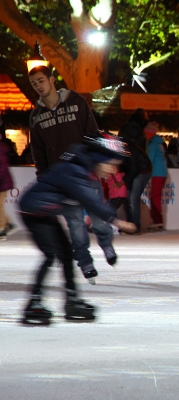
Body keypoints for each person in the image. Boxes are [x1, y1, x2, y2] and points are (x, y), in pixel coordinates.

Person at [18, 134, 136, 325]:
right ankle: (33, 304)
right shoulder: (75, 171)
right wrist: (116, 221)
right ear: (99, 159)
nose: (113, 170)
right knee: (50, 255)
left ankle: (72, 300)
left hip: (44, 213)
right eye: (111, 164)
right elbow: (90, 200)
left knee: (66, 254)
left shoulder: (83, 169)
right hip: (34, 212)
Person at [28, 65, 113, 282]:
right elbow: (38, 151)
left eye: (41, 80)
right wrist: (44, 178)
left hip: (85, 173)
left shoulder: (76, 103)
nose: (38, 86)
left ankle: (106, 245)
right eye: (34, 83)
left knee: (99, 220)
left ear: (52, 79)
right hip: (61, 181)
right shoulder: (36, 116)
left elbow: (92, 134)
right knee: (75, 224)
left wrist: (98, 162)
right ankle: (85, 263)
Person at [118, 109, 152, 233]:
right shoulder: (137, 137)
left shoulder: (128, 150)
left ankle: (135, 225)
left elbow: (134, 167)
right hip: (136, 167)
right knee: (127, 196)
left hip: (143, 169)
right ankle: (131, 223)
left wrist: (125, 180)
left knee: (133, 197)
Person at [144, 122, 168, 231]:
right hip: (161, 172)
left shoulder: (152, 144)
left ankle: (157, 220)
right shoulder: (158, 143)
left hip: (157, 173)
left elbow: (150, 160)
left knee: (154, 197)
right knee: (155, 196)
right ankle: (157, 220)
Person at [0, 130, 12, 240]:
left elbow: (2, 168)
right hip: (3, 182)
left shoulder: (1, 149)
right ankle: (8, 224)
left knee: (0, 205)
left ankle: (2, 229)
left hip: (2, 183)